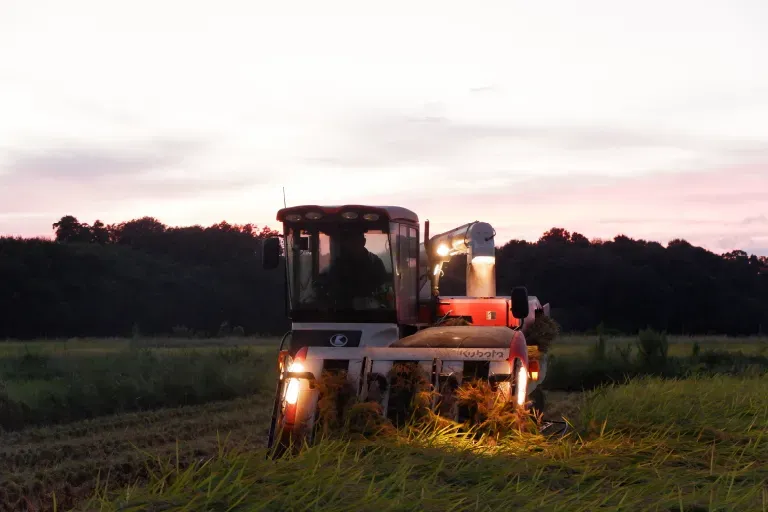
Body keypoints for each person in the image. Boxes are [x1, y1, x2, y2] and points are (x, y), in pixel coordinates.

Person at [316, 230, 391, 307]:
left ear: (363, 242)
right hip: (344, 310)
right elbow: (332, 288)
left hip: (370, 309)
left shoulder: (375, 262)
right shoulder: (339, 264)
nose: (354, 245)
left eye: (357, 241)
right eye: (352, 242)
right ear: (347, 244)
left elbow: (383, 288)